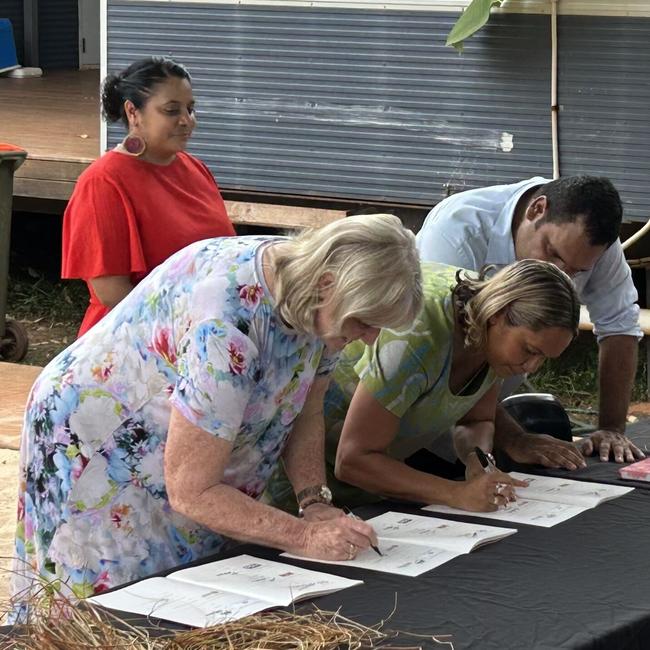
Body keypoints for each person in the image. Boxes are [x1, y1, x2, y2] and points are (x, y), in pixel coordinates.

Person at [10, 214, 422, 615]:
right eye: (366, 322)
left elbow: (306, 409)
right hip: (100, 440)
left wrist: (314, 501)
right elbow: (193, 490)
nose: (371, 339)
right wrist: (305, 535)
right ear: (328, 285)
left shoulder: (317, 304)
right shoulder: (228, 323)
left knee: (195, 587)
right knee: (118, 604)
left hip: (179, 445)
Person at [416, 176, 645, 466]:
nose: (559, 274)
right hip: (413, 405)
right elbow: (447, 361)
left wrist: (611, 428)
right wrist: (513, 438)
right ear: (537, 209)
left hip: (479, 419)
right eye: (553, 254)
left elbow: (620, 326)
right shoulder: (456, 233)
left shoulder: (590, 243)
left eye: (576, 271)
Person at [321, 259, 579, 511]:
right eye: (530, 350)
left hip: (362, 493)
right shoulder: (416, 335)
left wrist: (477, 461)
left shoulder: (488, 326)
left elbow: (475, 420)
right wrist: (455, 493)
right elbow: (354, 459)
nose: (531, 366)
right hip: (302, 484)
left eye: (544, 357)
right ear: (498, 314)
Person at [62, 56, 235, 337]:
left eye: (191, 109)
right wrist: (183, 332)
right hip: (135, 341)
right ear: (133, 112)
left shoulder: (196, 168)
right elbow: (111, 292)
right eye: (171, 110)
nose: (187, 121)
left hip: (207, 334)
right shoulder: (103, 182)